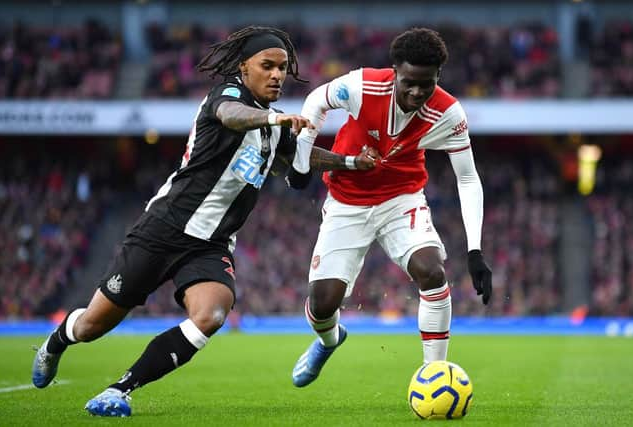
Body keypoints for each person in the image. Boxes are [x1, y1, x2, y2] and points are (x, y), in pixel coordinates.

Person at [31, 26, 377, 417]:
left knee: (212, 313)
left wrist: (349, 162)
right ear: (244, 67)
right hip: (163, 228)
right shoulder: (228, 96)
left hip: (211, 244)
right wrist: (272, 119)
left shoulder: (272, 123)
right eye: (268, 66)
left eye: (283, 68)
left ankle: (119, 390)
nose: (278, 75)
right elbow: (232, 116)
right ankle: (56, 343)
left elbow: (298, 161)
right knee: (93, 325)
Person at [290, 27, 493, 387]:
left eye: (426, 84)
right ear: (395, 71)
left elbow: (468, 178)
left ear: (437, 78)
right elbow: (315, 102)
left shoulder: (449, 113)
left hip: (402, 198)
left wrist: (475, 249)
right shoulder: (361, 86)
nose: (417, 92)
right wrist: (302, 156)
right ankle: (329, 340)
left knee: (431, 270)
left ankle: (435, 375)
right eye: (409, 82)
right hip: (346, 201)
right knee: (323, 303)